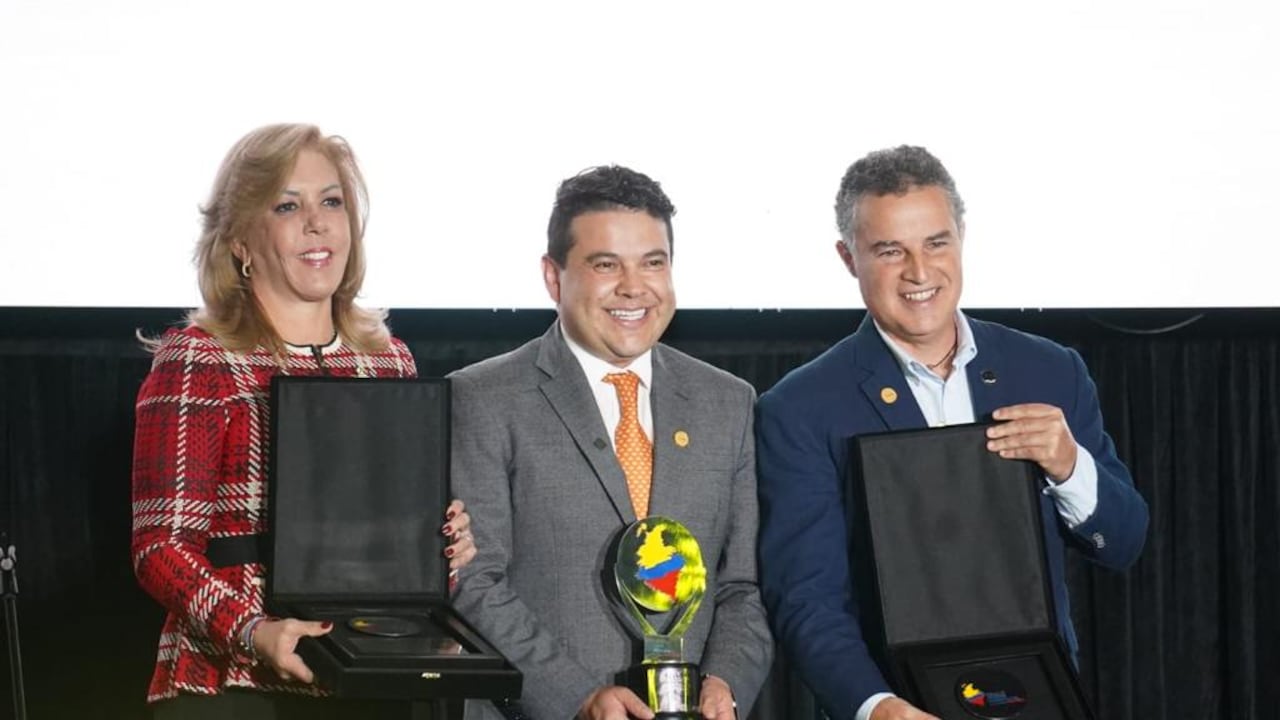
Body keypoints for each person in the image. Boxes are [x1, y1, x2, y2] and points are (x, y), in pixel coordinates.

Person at [755, 145, 1149, 720]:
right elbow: (806, 598)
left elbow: (1126, 541)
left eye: (936, 242)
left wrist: (1070, 465)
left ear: (961, 235)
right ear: (848, 257)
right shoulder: (800, 407)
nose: (919, 272)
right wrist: (875, 706)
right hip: (898, 704)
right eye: (890, 251)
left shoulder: (1048, 370)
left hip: (1039, 696)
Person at [131, 123, 476, 719]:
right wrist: (252, 629)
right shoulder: (201, 356)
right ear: (241, 240)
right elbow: (159, 547)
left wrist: (444, 540)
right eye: (287, 206)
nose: (316, 222)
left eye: (332, 202)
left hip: (370, 675)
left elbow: (392, 533)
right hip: (233, 682)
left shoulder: (389, 360)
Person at [449, 165, 773, 720]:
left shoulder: (728, 402)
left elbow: (741, 586)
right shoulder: (482, 398)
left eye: (653, 263)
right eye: (606, 265)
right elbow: (475, 583)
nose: (634, 287)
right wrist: (576, 698)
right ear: (554, 279)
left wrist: (726, 684)